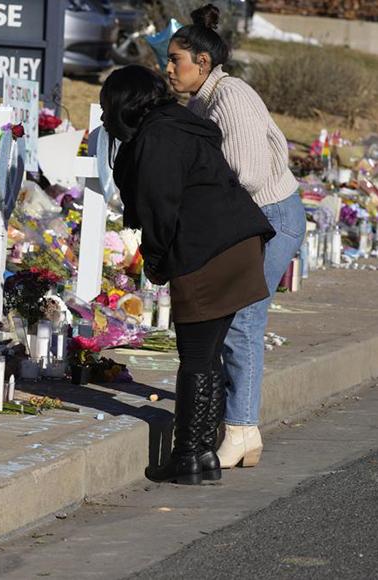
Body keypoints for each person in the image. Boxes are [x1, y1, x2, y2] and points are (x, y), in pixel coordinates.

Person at [101, 65, 274, 485]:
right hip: (240, 245)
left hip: (206, 251)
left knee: (195, 358)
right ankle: (204, 457)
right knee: (209, 355)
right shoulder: (182, 124)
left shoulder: (157, 138)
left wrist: (157, 262)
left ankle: (186, 458)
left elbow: (161, 209)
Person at [166, 4, 306, 469]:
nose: (168, 69)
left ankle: (242, 429)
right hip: (249, 219)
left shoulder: (231, 97)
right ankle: (241, 427)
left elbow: (246, 173)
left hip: (270, 217)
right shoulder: (205, 99)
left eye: (175, 61)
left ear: (201, 64)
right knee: (232, 320)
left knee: (243, 321)